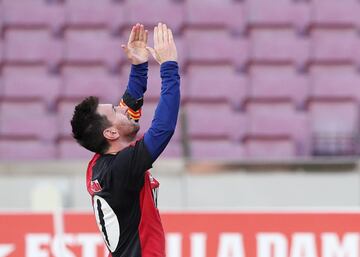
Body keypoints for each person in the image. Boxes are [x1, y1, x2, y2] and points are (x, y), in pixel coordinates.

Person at [70, 22, 180, 257]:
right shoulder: (122, 167)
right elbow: (163, 128)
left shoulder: (100, 163)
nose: (124, 109)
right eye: (116, 112)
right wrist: (169, 66)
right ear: (111, 133)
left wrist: (139, 65)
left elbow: (130, 102)